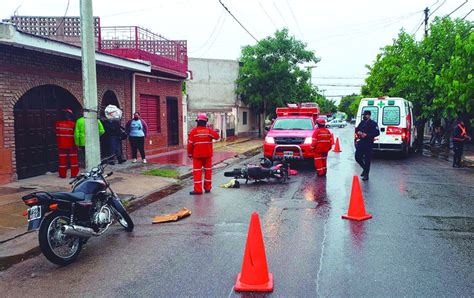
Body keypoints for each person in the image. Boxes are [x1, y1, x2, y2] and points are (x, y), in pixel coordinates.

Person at [187, 113, 219, 195]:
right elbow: (217, 137)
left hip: (197, 156)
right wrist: (214, 131)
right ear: (206, 122)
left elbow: (190, 144)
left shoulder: (193, 132)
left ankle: (198, 190)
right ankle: (207, 188)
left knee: (197, 172)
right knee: (208, 172)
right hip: (208, 155)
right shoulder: (209, 131)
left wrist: (189, 154)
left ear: (197, 121)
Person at [355, 110, 380, 181]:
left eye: (365, 115)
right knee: (357, 157)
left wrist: (367, 135)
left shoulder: (373, 123)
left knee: (367, 159)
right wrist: (359, 132)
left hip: (368, 143)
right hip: (361, 142)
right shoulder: (362, 122)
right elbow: (357, 129)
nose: (363, 116)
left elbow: (377, 133)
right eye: (363, 115)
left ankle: (366, 175)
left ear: (369, 115)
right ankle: (364, 169)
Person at [55, 109, 79, 178]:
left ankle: (62, 174)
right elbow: (76, 135)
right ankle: (74, 174)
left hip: (61, 145)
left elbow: (56, 134)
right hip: (72, 145)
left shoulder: (58, 124)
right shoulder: (73, 124)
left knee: (62, 161)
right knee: (73, 161)